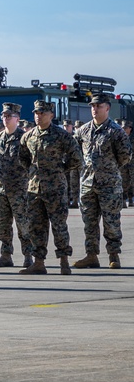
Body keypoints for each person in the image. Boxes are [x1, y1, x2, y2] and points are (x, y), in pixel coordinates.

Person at [18, 100, 83, 274]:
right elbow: (23, 157)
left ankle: (64, 262)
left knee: (59, 225)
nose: (38, 116)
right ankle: (39, 262)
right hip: (34, 189)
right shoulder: (28, 136)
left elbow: (76, 158)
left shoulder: (61, 135)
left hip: (55, 188)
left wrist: (60, 169)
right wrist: (33, 172)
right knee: (36, 226)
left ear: (51, 115)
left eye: (42, 113)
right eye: (36, 113)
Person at [73, 94, 133, 269]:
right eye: (92, 106)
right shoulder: (83, 131)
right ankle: (91, 255)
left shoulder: (116, 131)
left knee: (111, 222)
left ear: (107, 108)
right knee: (89, 223)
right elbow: (75, 152)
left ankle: (114, 256)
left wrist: (107, 169)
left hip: (109, 185)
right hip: (87, 184)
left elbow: (125, 156)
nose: (94, 109)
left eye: (98, 106)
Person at [0, 103, 33, 269]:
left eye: (9, 116)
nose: (5, 119)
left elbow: (31, 161)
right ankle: (6, 255)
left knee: (24, 225)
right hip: (0, 190)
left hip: (20, 190)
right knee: (3, 224)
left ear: (17, 118)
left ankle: (28, 256)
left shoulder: (24, 139)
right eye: (4, 116)